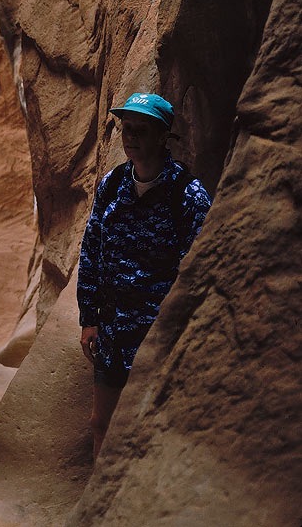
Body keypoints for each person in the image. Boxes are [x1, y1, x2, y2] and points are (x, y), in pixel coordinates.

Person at [77, 92, 212, 459]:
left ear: (162, 136)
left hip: (158, 338)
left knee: (152, 432)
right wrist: (89, 318)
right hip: (113, 333)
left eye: (142, 129)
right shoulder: (112, 185)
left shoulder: (188, 195)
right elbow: (91, 251)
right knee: (101, 425)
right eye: (127, 128)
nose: (131, 137)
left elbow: (197, 273)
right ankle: (99, 497)